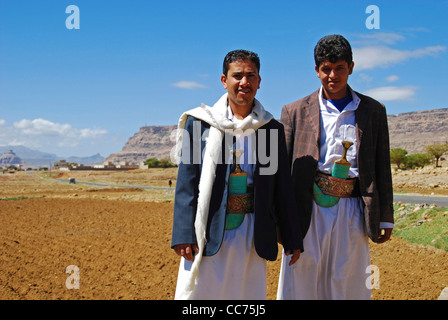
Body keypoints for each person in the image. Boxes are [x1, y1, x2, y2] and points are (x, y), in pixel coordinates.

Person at [171, 49, 303, 300]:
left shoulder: (270, 129)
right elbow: (186, 182)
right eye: (237, 75)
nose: (244, 82)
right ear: (224, 81)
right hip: (208, 229)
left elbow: (282, 188)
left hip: (252, 232)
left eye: (251, 76)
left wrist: (292, 236)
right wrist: (183, 233)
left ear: (259, 81)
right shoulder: (199, 123)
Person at [277, 35, 394, 300]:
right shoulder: (294, 111)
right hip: (308, 210)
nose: (333, 75)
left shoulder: (373, 110)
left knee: (347, 279)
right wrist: (283, 220)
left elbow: (381, 165)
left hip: (352, 210)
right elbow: (282, 173)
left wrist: (385, 215)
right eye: (326, 69)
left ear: (351, 67)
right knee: (302, 277)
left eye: (340, 68)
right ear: (316, 70)